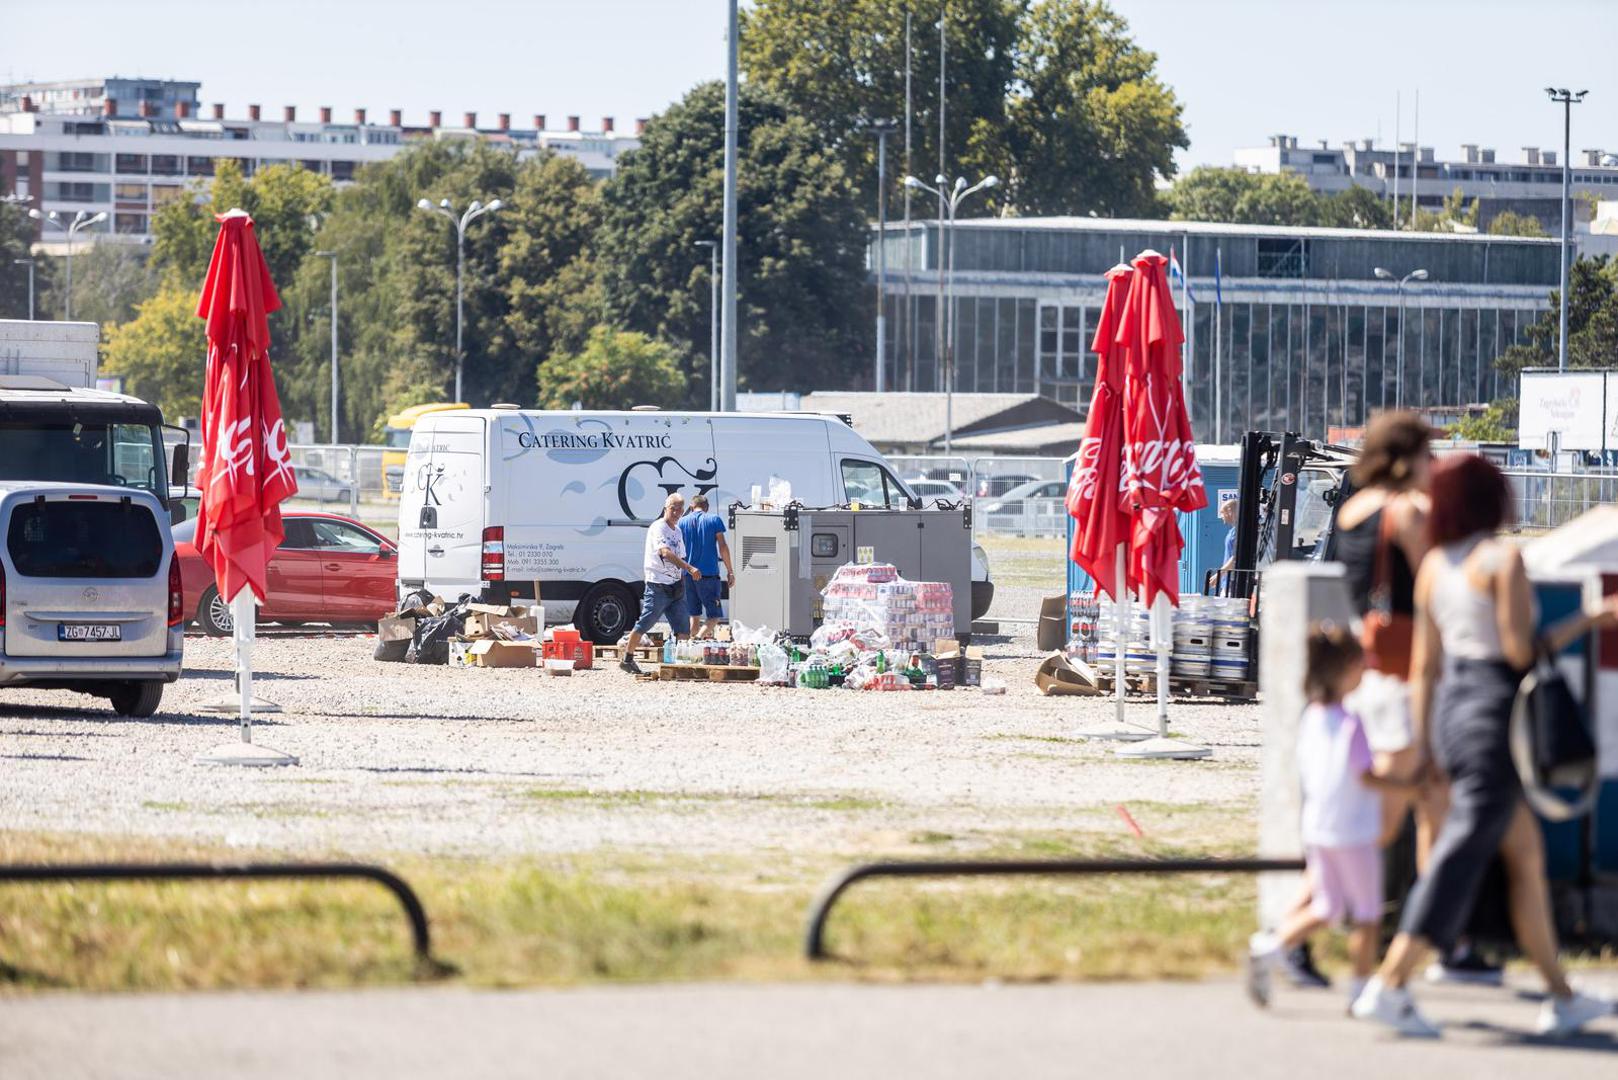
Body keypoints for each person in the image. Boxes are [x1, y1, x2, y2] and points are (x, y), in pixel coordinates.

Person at [1352, 455, 1618, 1038]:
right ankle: (1391, 984)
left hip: (1453, 712)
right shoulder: (1502, 559)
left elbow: (1425, 665)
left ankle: (1561, 993)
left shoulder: (1434, 567)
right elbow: (1522, 651)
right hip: (1497, 709)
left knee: (1524, 857)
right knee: (1461, 852)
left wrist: (1424, 745)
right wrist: (1589, 618)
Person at [1248, 624, 1409, 1011]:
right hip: (1354, 831)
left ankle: (1268, 949)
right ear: (1346, 670)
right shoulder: (1352, 724)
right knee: (1368, 915)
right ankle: (1359, 991)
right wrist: (1410, 784)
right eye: (1361, 665)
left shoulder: (1314, 716)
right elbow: (1367, 774)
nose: (1367, 672)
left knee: (1327, 907)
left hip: (1319, 828)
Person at [619, 493, 701, 675]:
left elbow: (680, 555)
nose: (677, 512)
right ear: (666, 508)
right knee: (646, 622)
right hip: (658, 585)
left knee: (683, 628)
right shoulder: (658, 527)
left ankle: (681, 665)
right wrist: (689, 568)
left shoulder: (678, 531)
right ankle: (627, 658)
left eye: (680, 509)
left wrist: (682, 580)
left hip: (675, 586)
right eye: (674, 508)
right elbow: (665, 552)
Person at [678, 493, 734, 639]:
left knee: (694, 615)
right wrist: (730, 571)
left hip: (689, 575)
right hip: (708, 575)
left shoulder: (682, 522)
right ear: (706, 507)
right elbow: (723, 546)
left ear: (691, 507)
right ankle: (696, 640)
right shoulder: (714, 519)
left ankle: (690, 649)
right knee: (714, 616)